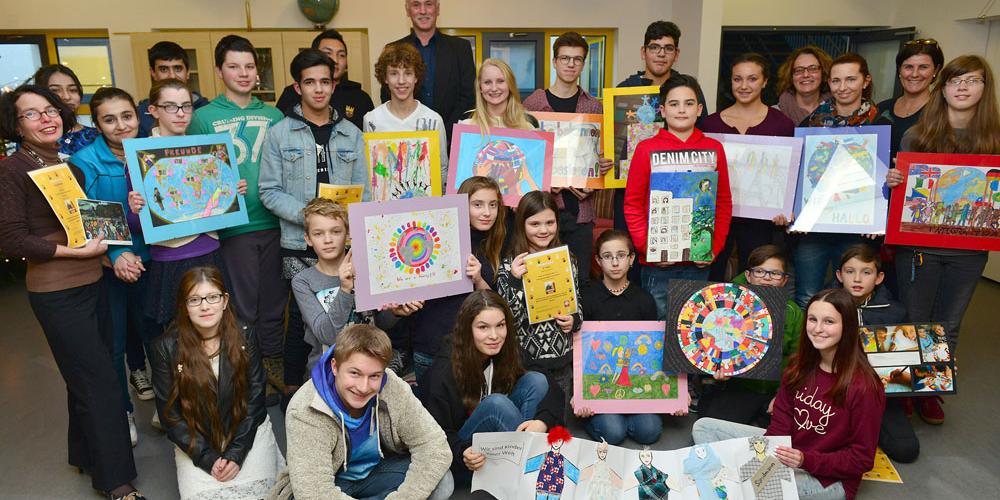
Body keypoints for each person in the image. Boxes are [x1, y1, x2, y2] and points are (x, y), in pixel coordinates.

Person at [0, 85, 142, 500]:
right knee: (101, 382)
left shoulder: (67, 166)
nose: (46, 118)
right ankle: (116, 482)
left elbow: (85, 225)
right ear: (16, 125)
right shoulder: (13, 170)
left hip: (92, 282)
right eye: (32, 114)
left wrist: (112, 246)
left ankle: (84, 453)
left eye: (50, 110)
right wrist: (71, 252)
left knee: (83, 376)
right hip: (57, 292)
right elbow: (11, 239)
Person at [886, 54, 1000, 424]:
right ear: (944, 87)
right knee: (915, 319)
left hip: (969, 251)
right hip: (918, 248)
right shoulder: (918, 135)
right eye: (955, 80)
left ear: (985, 88)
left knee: (948, 325)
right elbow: (902, 196)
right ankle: (903, 391)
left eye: (972, 80)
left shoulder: (995, 139)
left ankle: (930, 390)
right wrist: (894, 182)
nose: (963, 87)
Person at [693, 288, 885, 500]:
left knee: (752, 487)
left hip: (826, 478)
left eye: (829, 322)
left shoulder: (865, 387)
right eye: (812, 319)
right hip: (787, 454)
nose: (817, 329)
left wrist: (804, 460)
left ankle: (731, 483)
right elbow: (780, 425)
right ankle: (734, 482)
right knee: (704, 427)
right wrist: (764, 459)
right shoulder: (799, 366)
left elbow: (861, 459)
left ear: (847, 326)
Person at [258, 47, 370, 396]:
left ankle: (343, 381)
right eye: (310, 82)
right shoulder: (279, 134)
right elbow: (268, 191)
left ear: (334, 85)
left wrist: (346, 229)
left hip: (342, 241)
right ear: (297, 87)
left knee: (346, 307)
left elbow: (364, 192)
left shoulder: (352, 133)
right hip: (298, 241)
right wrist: (310, 218)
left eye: (325, 81)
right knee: (300, 318)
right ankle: (295, 388)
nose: (318, 89)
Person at [189, 35, 287, 400]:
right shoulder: (203, 117)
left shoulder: (275, 115)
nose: (243, 73)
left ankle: (273, 365)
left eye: (249, 66)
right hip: (234, 227)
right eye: (234, 66)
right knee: (242, 306)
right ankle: (247, 371)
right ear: (219, 71)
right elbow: (194, 173)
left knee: (274, 304)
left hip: (275, 221)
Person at [267, 324, 454, 500]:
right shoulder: (306, 408)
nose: (363, 387)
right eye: (355, 373)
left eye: (374, 376)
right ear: (335, 366)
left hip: (375, 474)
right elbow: (313, 492)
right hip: (326, 482)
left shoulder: (391, 386)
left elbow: (435, 446)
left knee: (442, 481)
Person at [70, 87, 159, 445]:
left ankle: (167, 405)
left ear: (138, 116)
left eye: (127, 116)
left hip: (153, 258)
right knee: (114, 343)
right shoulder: (86, 161)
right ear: (96, 124)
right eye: (109, 119)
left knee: (158, 337)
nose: (121, 125)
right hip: (109, 266)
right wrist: (116, 256)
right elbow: (87, 216)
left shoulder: (153, 150)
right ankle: (123, 411)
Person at [150, 266, 283, 499]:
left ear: (224, 301)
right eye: (195, 300)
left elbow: (255, 398)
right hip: (197, 440)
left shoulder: (245, 334)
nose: (205, 306)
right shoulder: (165, 348)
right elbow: (170, 416)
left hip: (245, 431)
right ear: (184, 306)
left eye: (213, 297)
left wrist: (236, 453)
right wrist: (207, 458)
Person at [421, 290, 565, 487]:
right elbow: (433, 433)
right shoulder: (444, 369)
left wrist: (542, 422)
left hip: (502, 444)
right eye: (483, 327)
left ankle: (523, 467)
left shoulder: (506, 348)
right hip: (466, 457)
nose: (494, 336)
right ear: (467, 329)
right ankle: (534, 475)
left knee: (537, 380)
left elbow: (552, 387)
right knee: (496, 404)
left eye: (500, 325)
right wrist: (462, 451)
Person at [623, 74, 733, 320]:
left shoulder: (714, 148)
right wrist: (648, 248)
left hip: (699, 261)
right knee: (658, 327)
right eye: (674, 104)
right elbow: (632, 204)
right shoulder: (646, 149)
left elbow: (723, 203)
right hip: (658, 265)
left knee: (693, 327)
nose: (682, 110)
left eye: (689, 103)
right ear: (663, 110)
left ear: (699, 109)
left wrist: (714, 248)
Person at [387, 176, 497, 390]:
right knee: (432, 409)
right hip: (431, 346)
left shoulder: (497, 243)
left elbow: (495, 304)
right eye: (477, 204)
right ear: (461, 205)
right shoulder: (433, 233)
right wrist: (403, 304)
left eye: (493, 205)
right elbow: (403, 286)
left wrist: (478, 279)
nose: (486, 212)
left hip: (475, 350)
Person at [523, 32, 615, 284]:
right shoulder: (532, 104)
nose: (570, 64)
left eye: (577, 59)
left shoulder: (594, 107)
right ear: (554, 61)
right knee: (542, 281)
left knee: (579, 281)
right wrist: (545, 181)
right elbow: (523, 160)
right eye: (565, 58)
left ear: (584, 64)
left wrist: (600, 171)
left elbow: (600, 157)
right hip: (542, 212)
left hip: (580, 211)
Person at [793, 53, 885, 307]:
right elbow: (798, 171)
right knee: (806, 295)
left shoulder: (881, 124)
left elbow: (888, 179)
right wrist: (798, 211)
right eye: (836, 81)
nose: (842, 87)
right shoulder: (811, 123)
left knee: (851, 298)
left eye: (851, 79)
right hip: (814, 229)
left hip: (858, 228)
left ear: (866, 81)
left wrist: (879, 215)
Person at [702, 53, 795, 281]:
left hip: (761, 221)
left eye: (752, 79)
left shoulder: (782, 124)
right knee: (710, 277)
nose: (744, 86)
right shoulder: (709, 124)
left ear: (765, 81)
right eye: (737, 79)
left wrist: (787, 206)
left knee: (758, 278)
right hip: (716, 217)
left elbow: (789, 176)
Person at [614, 21, 708, 241]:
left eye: (668, 48)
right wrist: (609, 158)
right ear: (643, 52)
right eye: (654, 47)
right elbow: (614, 141)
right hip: (631, 188)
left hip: (679, 188)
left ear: (676, 54)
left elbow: (701, 136)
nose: (661, 54)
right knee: (628, 248)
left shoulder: (687, 90)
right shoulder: (625, 90)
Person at [575, 230, 665, 445]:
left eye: (621, 255)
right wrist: (579, 393)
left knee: (650, 431)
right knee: (613, 432)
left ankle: (624, 419)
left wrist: (675, 392)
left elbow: (653, 351)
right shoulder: (587, 298)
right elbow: (579, 350)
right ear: (598, 261)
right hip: (600, 384)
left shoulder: (644, 299)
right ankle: (609, 421)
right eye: (607, 256)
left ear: (631, 259)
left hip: (635, 382)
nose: (615, 262)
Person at [290, 198, 400, 373]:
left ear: (348, 234)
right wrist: (345, 289)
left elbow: (380, 324)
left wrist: (396, 312)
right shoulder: (303, 281)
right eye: (318, 234)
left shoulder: (367, 269)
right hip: (327, 373)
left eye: (335, 231)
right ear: (308, 239)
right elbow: (327, 336)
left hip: (369, 367)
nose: (328, 240)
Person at [495, 190, 583, 409]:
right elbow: (507, 318)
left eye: (550, 222)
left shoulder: (567, 260)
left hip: (561, 359)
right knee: (530, 420)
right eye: (535, 224)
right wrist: (514, 280)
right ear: (521, 225)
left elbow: (577, 302)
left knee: (557, 419)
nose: (544, 230)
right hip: (526, 363)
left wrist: (574, 320)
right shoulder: (509, 266)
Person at [831, 244, 918, 464]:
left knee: (907, 450)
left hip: (878, 393)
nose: (857, 279)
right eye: (850, 271)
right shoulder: (825, 305)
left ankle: (865, 426)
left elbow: (907, 360)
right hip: (833, 389)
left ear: (879, 278)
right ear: (839, 275)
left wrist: (938, 366)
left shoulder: (895, 312)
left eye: (866, 272)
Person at [698, 245, 802, 428]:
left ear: (784, 280)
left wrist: (783, 394)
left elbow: (799, 359)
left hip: (777, 390)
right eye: (759, 271)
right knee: (710, 422)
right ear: (748, 276)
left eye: (775, 274)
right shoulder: (729, 308)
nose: (767, 278)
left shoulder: (794, 313)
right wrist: (721, 370)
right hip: (742, 386)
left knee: (791, 430)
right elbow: (714, 347)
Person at [384, 0, 475, 142]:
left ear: (437, 9)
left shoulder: (460, 48)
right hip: (407, 142)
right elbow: (387, 95)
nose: (423, 11)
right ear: (407, 10)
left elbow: (468, 97)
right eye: (416, 5)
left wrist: (443, 134)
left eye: (428, 4)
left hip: (451, 140)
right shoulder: (393, 49)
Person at [363, 42, 449, 182]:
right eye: (394, 73)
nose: (401, 81)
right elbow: (370, 170)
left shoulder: (434, 120)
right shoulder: (372, 120)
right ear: (385, 78)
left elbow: (442, 169)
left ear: (416, 77)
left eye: (408, 73)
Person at [276, 29, 374, 130]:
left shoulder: (360, 97)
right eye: (328, 53)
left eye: (341, 55)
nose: (335, 60)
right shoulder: (291, 93)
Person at [876, 40, 945, 160]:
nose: (914, 74)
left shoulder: (942, 113)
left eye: (923, 67)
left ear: (935, 70)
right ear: (899, 70)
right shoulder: (881, 109)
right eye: (908, 67)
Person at [136, 41, 211, 137]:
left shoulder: (207, 109)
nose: (172, 75)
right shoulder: (139, 114)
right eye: (163, 69)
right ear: (153, 73)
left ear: (188, 72)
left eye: (178, 68)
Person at [32, 64, 99, 154]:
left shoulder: (98, 138)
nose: (66, 97)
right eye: (55, 90)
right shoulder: (32, 139)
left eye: (73, 90)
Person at [773, 46, 832, 126]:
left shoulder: (838, 111)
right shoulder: (774, 114)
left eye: (813, 68)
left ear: (824, 72)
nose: (805, 75)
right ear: (791, 76)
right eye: (799, 70)